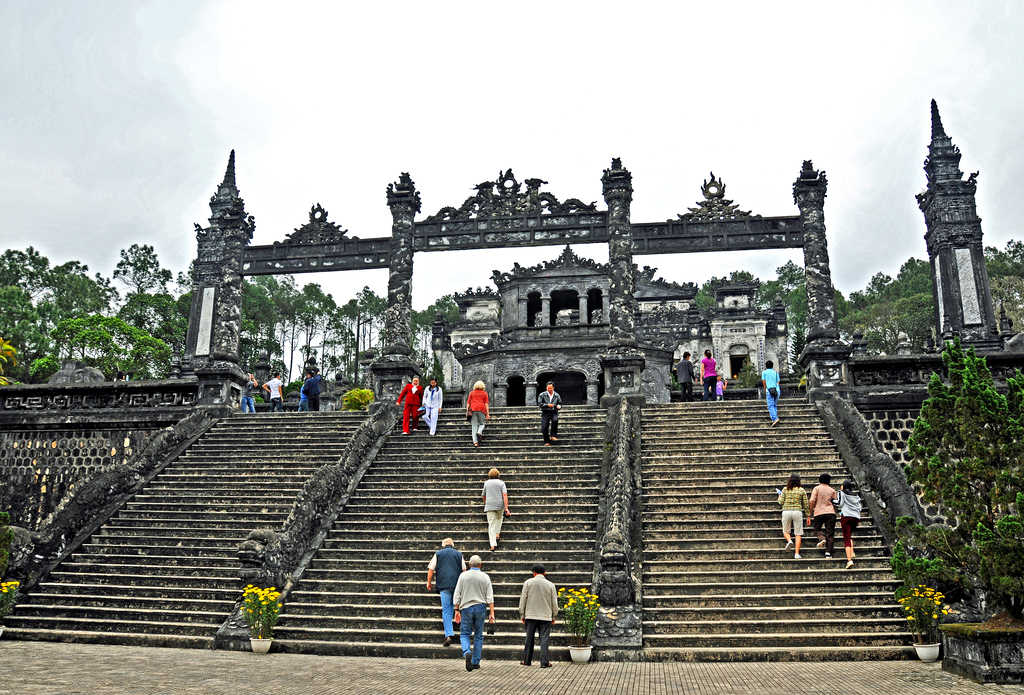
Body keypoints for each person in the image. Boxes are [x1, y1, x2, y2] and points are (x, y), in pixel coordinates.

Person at [452, 555, 494, 672]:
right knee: (478, 635)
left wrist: (456, 610)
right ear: (480, 565)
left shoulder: (463, 576)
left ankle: (466, 652)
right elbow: (490, 596)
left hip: (466, 608)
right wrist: (492, 612)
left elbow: (457, 593)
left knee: (465, 634)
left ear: (469, 564)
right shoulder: (485, 577)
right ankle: (475, 662)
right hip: (481, 607)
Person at [426, 537, 467, 647]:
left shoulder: (438, 554)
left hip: (443, 585)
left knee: (446, 610)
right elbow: (464, 570)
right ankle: (455, 630)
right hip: (456, 585)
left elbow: (431, 569)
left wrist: (429, 582)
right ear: (452, 545)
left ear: (443, 545)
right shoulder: (459, 554)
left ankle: (448, 634)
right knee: (454, 606)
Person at [518, 563, 558, 668]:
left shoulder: (527, 583)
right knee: (544, 639)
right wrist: (554, 616)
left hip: (530, 615)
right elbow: (554, 603)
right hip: (545, 616)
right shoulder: (551, 585)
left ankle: (527, 660)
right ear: (544, 573)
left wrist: (522, 614)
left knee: (529, 638)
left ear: (534, 573)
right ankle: (544, 662)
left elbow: (523, 600)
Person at [778, 473, 810, 559]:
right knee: (798, 533)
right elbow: (806, 504)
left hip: (786, 511)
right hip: (797, 511)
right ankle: (797, 553)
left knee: (786, 531)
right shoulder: (801, 490)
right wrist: (808, 515)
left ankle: (789, 541)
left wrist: (779, 496)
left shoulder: (785, 489)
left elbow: (781, 502)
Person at [809, 472, 838, 559]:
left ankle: (821, 538)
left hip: (819, 512)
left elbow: (812, 500)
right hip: (830, 513)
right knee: (830, 533)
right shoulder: (832, 490)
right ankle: (828, 552)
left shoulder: (816, 489)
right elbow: (835, 503)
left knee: (817, 529)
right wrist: (834, 512)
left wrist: (810, 512)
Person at [835, 480, 862, 569]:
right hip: (856, 517)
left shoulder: (842, 493)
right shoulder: (856, 496)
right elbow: (860, 507)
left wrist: (832, 500)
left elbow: (839, 503)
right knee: (849, 534)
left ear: (843, 486)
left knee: (846, 538)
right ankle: (852, 552)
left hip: (846, 516)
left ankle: (849, 560)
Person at [482, 468, 510, 552]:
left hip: (490, 504)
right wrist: (506, 507)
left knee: (491, 524)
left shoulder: (486, 483)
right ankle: (497, 533)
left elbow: (484, 495)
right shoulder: (501, 483)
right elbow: (504, 495)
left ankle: (492, 544)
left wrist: (486, 502)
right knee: (499, 518)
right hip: (499, 504)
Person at [537, 381, 561, 446]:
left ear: (553, 388)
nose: (549, 389)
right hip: (545, 412)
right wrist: (547, 405)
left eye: (550, 388)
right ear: (546, 388)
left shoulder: (556, 395)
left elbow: (560, 403)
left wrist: (559, 406)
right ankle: (547, 441)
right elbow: (540, 404)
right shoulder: (542, 395)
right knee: (544, 427)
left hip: (553, 411)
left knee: (555, 420)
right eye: (548, 388)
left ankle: (553, 435)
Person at [466, 381, 490, 446]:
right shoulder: (485, 393)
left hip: (473, 409)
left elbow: (468, 403)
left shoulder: (472, 393)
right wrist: (488, 413)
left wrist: (467, 411)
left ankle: (475, 442)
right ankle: (479, 432)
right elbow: (486, 404)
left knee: (474, 426)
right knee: (482, 423)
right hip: (481, 409)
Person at [761, 359, 781, 427]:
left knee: (770, 406)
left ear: (766, 366)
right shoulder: (776, 373)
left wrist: (765, 389)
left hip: (769, 390)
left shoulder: (764, 373)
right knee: (774, 405)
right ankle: (775, 417)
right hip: (777, 390)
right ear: (772, 366)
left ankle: (775, 418)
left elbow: (764, 382)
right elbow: (778, 382)